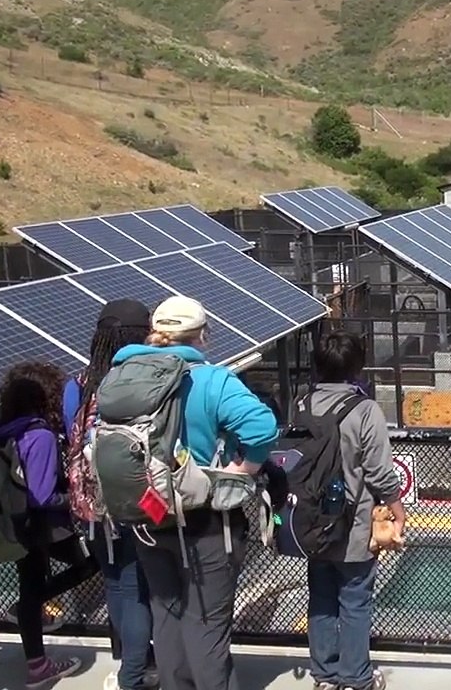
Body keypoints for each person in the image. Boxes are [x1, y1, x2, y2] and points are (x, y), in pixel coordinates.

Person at [115, 296, 279, 690]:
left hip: (146, 517)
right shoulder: (211, 380)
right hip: (203, 519)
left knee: (166, 618)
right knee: (206, 625)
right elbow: (263, 428)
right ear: (202, 335)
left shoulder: (120, 375)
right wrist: (243, 469)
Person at [300, 331, 406, 690]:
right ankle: (356, 676)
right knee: (355, 601)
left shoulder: (302, 405)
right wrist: (397, 509)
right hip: (353, 525)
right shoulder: (364, 410)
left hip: (311, 523)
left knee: (321, 600)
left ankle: (325, 675)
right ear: (357, 367)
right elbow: (378, 471)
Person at [62, 299, 158, 690]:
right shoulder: (145, 381)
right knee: (140, 585)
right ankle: (135, 673)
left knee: (116, 582)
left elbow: (71, 433)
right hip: (139, 499)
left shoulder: (78, 385)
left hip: (91, 503)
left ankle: (131, 661)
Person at [0, 361, 95, 687]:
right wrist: (76, 499)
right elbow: (42, 495)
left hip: (13, 522)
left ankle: (36, 661)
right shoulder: (41, 436)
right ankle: (27, 614)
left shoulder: (0, 431)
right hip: (42, 526)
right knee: (91, 562)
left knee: (30, 585)